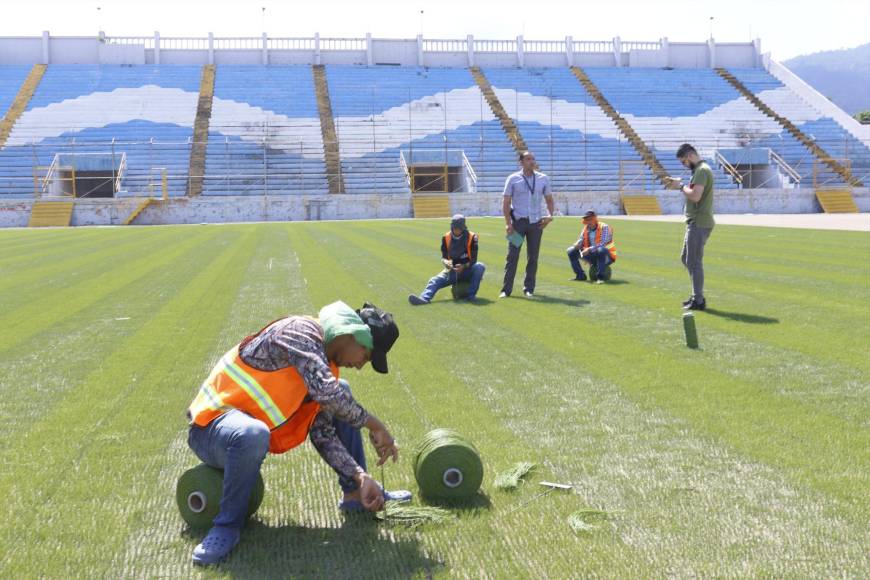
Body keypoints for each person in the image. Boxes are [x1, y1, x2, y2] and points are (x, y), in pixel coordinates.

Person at [185, 301, 409, 565]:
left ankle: (354, 494)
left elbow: (323, 434)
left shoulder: (323, 365)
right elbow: (329, 395)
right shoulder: (300, 332)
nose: (360, 365)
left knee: (342, 392)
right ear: (351, 335)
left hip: (244, 433)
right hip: (210, 429)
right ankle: (226, 527)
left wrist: (360, 477)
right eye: (366, 356)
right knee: (257, 431)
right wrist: (376, 425)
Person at [501, 151, 555, 298]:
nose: (532, 161)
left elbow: (549, 199)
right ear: (521, 162)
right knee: (512, 256)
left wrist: (550, 216)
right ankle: (506, 290)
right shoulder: (513, 179)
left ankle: (529, 288)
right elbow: (506, 202)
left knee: (533, 257)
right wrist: (508, 223)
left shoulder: (543, 179)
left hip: (536, 224)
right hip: (518, 223)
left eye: (533, 159)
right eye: (528, 159)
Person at [668, 143, 715, 311]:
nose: (684, 165)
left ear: (689, 156)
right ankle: (697, 294)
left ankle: (698, 299)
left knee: (694, 262)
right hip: (696, 221)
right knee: (686, 259)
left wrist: (680, 186)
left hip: (699, 222)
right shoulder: (699, 170)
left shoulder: (702, 170)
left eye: (683, 162)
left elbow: (695, 196)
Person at [408, 214, 486, 304]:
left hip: (467, 269)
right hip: (452, 270)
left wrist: (463, 266)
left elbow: (474, 259)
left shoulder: (472, 237)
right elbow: (444, 257)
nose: (456, 230)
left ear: (463, 228)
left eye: (459, 228)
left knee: (480, 266)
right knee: (434, 280)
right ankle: (424, 298)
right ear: (452, 227)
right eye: (455, 228)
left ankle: (471, 296)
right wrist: (446, 263)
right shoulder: (446, 237)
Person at [567, 210, 617, 284]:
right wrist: (577, 244)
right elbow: (581, 239)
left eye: (590, 219)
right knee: (571, 251)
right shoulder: (585, 228)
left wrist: (589, 249)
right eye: (586, 219)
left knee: (601, 250)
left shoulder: (604, 227)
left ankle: (600, 278)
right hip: (592, 255)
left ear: (595, 219)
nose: (588, 221)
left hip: (608, 257)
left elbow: (603, 243)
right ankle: (580, 276)